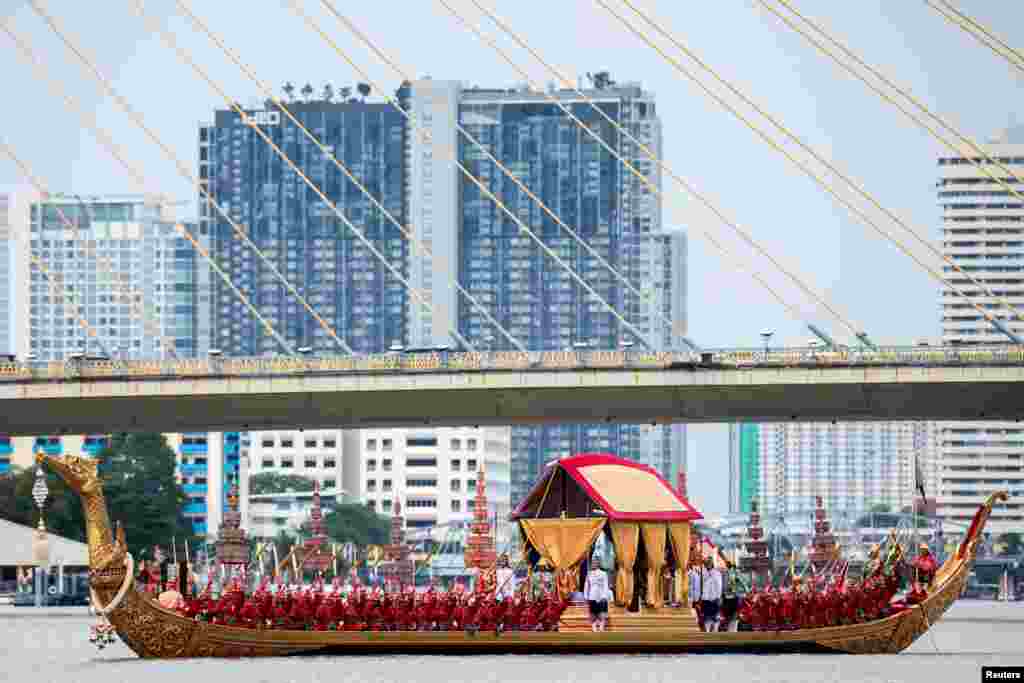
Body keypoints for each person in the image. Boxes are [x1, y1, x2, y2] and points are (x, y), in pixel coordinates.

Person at [583, 559, 612, 632]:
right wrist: (586, 596)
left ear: (598, 564)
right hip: (592, 595)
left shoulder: (603, 573)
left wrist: (605, 596)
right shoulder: (589, 574)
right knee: (593, 613)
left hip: (601, 595)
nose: (593, 564)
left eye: (595, 563)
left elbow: (605, 585)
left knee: (602, 613)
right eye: (592, 563)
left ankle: (601, 627)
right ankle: (594, 627)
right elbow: (586, 585)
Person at [698, 556, 723, 632]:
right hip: (705, 599)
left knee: (715, 618)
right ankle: (707, 633)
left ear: (712, 564)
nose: (707, 564)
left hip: (714, 599)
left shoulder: (716, 573)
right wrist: (701, 597)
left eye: (709, 563)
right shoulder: (704, 573)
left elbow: (719, 586)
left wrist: (718, 597)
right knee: (706, 618)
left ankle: (715, 632)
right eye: (706, 563)